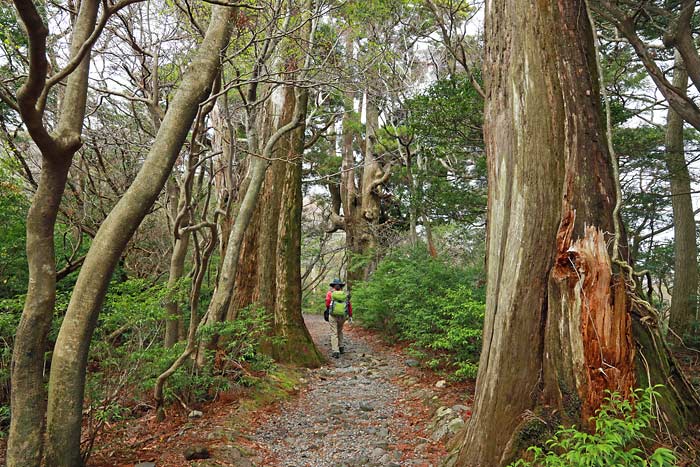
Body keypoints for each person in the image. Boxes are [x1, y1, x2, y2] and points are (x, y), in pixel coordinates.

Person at [324, 278, 352, 358]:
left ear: (333, 286)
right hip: (343, 316)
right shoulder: (345, 294)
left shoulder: (330, 293)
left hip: (333, 315)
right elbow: (349, 305)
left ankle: (335, 351)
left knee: (334, 332)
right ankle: (341, 347)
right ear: (341, 286)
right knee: (339, 331)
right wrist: (350, 315)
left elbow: (327, 304)